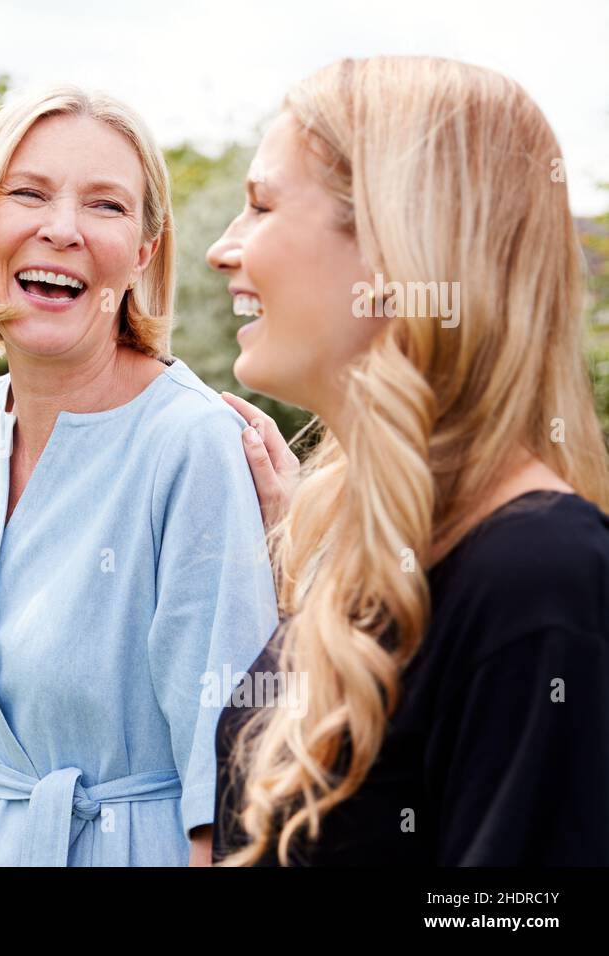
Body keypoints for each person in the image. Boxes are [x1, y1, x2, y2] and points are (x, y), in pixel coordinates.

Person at [207, 56, 609, 866]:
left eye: (259, 206)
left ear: (397, 250)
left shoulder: (539, 571)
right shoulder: (367, 545)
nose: (223, 250)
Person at [0, 87, 277, 866]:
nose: (62, 229)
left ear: (143, 252)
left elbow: (228, 767)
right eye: (29, 193)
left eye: (105, 206)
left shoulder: (192, 444)